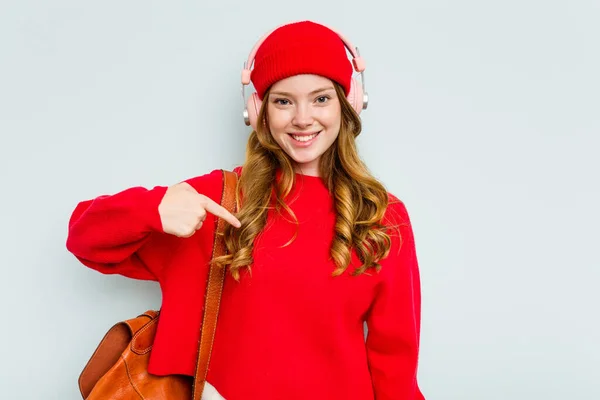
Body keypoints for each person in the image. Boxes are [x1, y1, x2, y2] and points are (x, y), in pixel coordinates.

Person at [66, 20, 426, 400]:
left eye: (321, 98)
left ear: (349, 103)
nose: (303, 118)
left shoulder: (382, 215)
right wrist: (151, 210)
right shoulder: (216, 202)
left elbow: (395, 365)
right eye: (283, 100)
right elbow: (84, 239)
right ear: (258, 110)